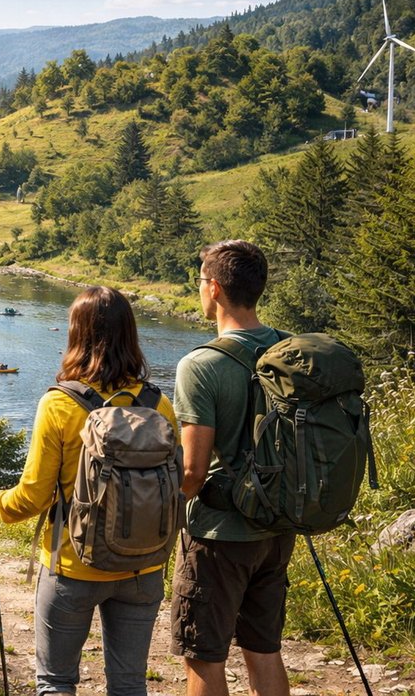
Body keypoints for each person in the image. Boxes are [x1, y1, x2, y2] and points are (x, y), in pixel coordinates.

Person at [0, 286, 178, 696]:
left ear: (76, 335)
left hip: (72, 567)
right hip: (144, 568)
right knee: (130, 682)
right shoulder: (159, 404)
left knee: (56, 681)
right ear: (130, 334)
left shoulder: (60, 404)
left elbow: (31, 497)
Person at [171, 240, 294, 696]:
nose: (200, 290)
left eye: (201, 281)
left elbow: (193, 473)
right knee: (264, 651)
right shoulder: (290, 350)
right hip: (278, 527)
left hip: (219, 537)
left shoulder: (200, 365)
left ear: (215, 288)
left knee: (203, 657)